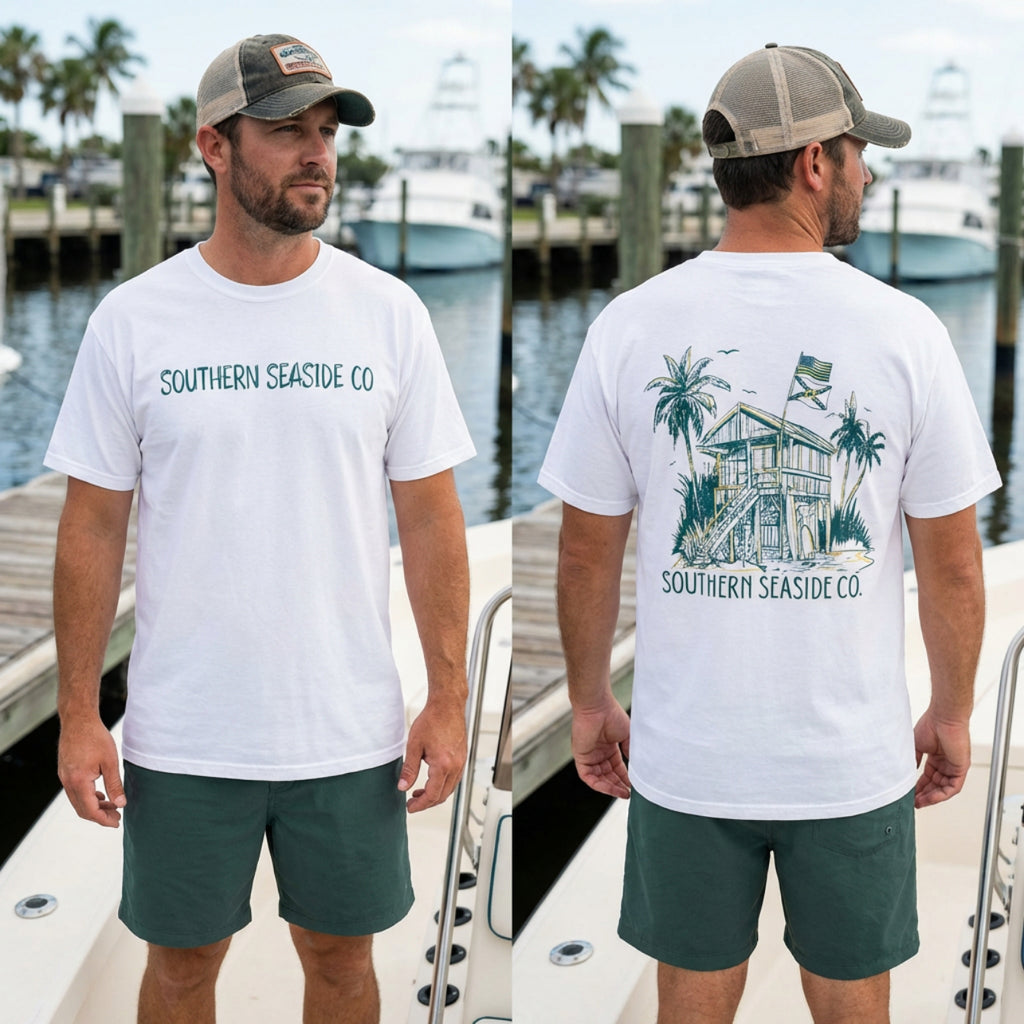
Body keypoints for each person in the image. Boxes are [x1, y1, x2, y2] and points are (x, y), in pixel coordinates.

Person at [539, 43, 1002, 1024]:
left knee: (692, 1005)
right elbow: (953, 564)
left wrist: (589, 701)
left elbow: (586, 550)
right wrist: (952, 712)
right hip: (849, 763)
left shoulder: (628, 324)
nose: (868, 174)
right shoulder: (906, 331)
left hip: (684, 757)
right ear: (812, 164)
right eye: (857, 153)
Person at [46, 33, 476, 1024]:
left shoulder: (388, 314)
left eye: (325, 131)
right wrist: (77, 713)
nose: (317, 152)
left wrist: (445, 697)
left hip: (345, 728)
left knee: (338, 960)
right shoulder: (135, 320)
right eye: (286, 131)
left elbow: (432, 515)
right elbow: (92, 526)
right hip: (186, 732)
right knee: (184, 965)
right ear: (213, 147)